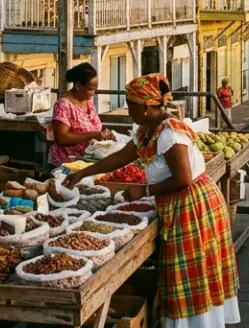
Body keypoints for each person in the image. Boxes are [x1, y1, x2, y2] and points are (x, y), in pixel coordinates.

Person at [66, 74, 239, 328]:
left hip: (192, 204)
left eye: (131, 106)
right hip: (177, 203)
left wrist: (144, 190)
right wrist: (84, 173)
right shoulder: (147, 129)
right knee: (183, 275)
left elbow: (183, 178)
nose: (129, 111)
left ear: (146, 107)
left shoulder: (170, 133)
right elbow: (122, 157)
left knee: (188, 275)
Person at [49, 63, 114, 167]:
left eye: (95, 89)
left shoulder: (87, 100)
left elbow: (92, 125)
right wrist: (93, 135)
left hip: (86, 160)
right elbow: (61, 138)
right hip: (67, 163)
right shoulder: (63, 105)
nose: (93, 93)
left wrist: (104, 134)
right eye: (90, 89)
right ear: (78, 86)